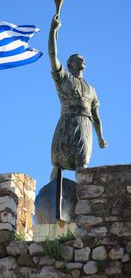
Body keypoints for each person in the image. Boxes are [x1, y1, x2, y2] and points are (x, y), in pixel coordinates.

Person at [49, 15, 107, 180]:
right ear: (70, 64)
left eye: (83, 59)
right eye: (78, 59)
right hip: (66, 122)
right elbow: (52, 56)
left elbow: (96, 117)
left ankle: (82, 198)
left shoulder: (92, 90)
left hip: (84, 126)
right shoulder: (64, 79)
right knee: (58, 164)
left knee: (82, 164)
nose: (82, 61)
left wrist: (100, 137)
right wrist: (53, 32)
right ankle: (51, 196)